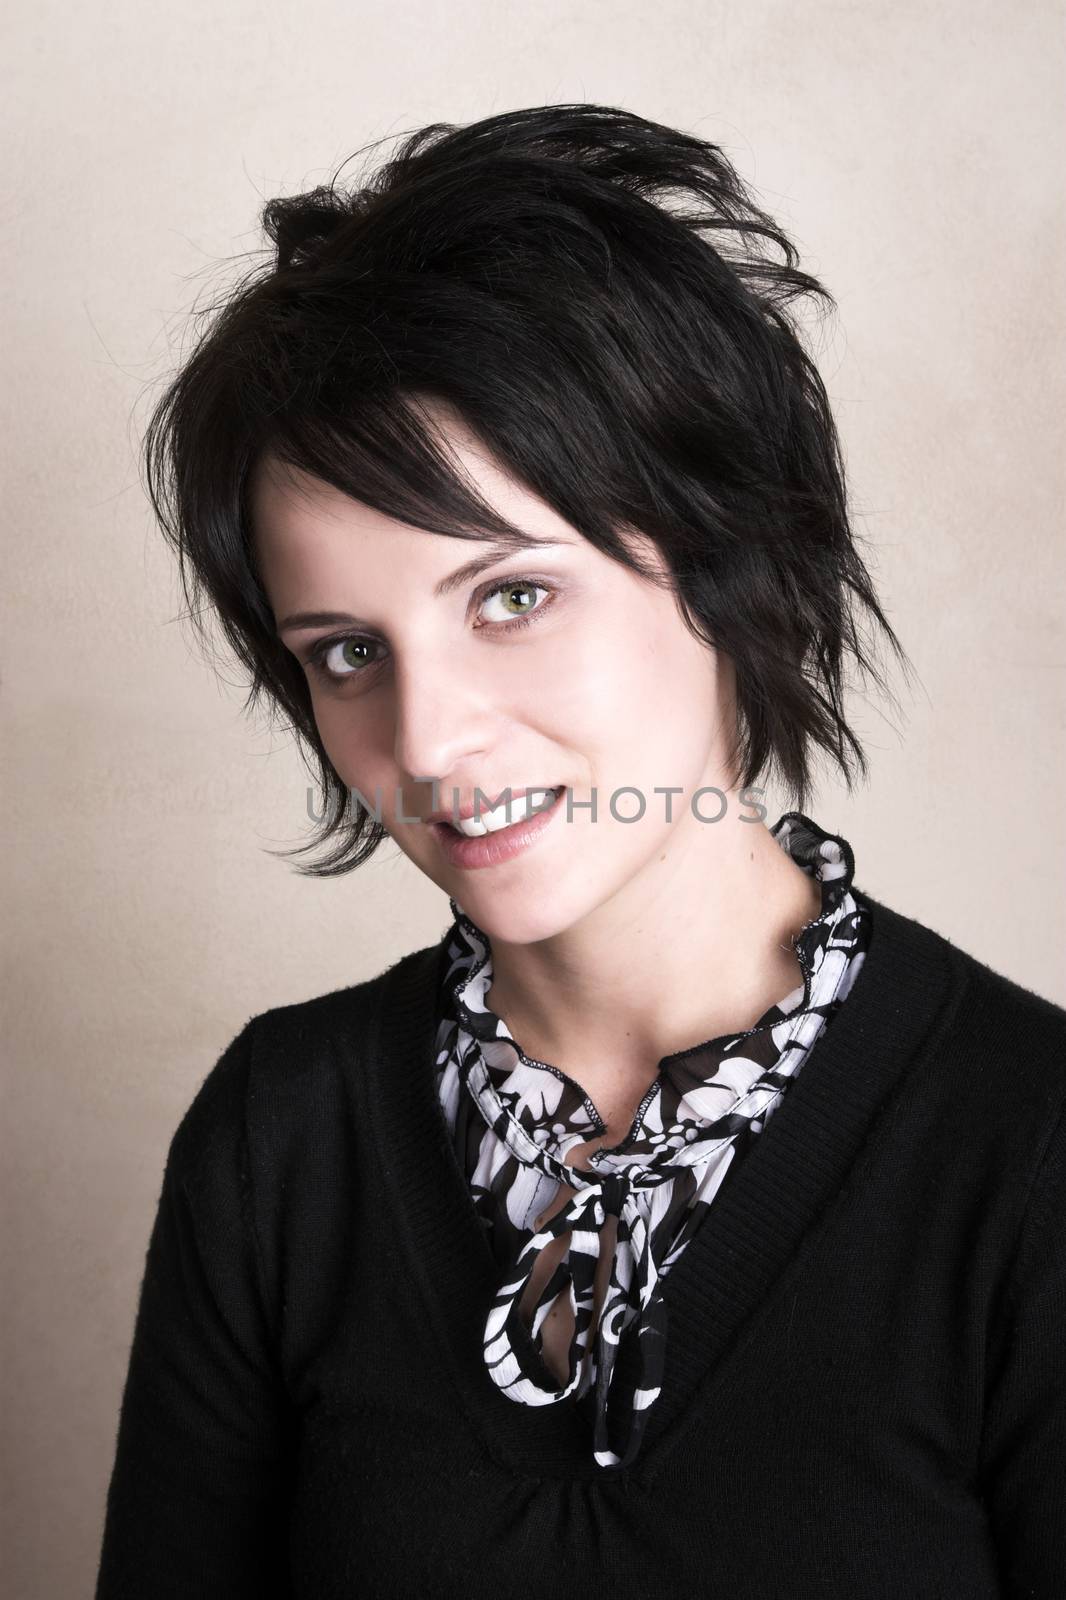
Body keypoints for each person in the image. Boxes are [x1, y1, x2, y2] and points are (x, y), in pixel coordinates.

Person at [94, 104, 1066, 1598]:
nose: (426, 742)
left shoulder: (1022, 1150)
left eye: (509, 600)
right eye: (348, 650)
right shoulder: (278, 1136)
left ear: (729, 551)